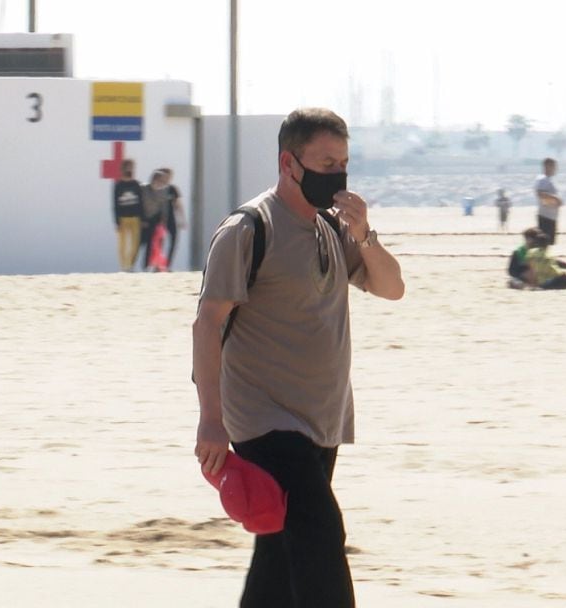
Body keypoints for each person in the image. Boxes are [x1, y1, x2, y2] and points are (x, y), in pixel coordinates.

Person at [193, 107, 405, 607]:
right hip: (264, 420)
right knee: (321, 538)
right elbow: (208, 322)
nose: (337, 174)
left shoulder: (333, 229)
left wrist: (364, 234)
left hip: (322, 419)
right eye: (326, 162)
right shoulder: (250, 229)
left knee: (278, 556)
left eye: (344, 162)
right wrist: (211, 420)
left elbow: (392, 288)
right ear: (290, 163)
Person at [113, 159, 144, 271]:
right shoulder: (118, 185)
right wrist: (116, 220)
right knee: (123, 244)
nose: (130, 169)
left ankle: (131, 265)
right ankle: (124, 266)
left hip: (136, 217)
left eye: (132, 167)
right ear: (123, 169)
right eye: (128, 167)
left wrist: (142, 218)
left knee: (135, 244)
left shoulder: (136, 184)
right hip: (123, 218)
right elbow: (115, 203)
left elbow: (141, 202)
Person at [139, 169, 169, 271]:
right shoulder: (143, 188)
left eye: (162, 181)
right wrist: (142, 219)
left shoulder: (163, 191)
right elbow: (140, 205)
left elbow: (164, 207)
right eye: (159, 180)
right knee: (140, 243)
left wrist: (163, 221)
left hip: (155, 221)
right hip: (143, 220)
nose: (161, 183)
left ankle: (148, 266)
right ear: (153, 179)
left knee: (152, 244)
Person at [158, 167, 187, 266]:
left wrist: (182, 219)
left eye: (170, 176)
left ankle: (167, 264)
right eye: (167, 176)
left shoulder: (173, 189)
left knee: (173, 241)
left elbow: (178, 205)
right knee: (159, 243)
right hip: (159, 219)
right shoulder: (157, 188)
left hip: (171, 218)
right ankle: (157, 264)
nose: (168, 178)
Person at [535, 157, 563, 244]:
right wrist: (555, 199)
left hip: (550, 216)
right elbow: (540, 194)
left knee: (548, 243)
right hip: (546, 216)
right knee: (544, 243)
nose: (556, 169)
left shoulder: (548, 180)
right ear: (548, 166)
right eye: (554, 166)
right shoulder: (543, 179)